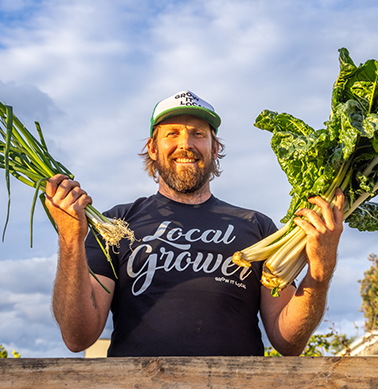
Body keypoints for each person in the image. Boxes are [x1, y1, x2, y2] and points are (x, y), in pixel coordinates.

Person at [45, 90, 344, 357]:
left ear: (215, 148)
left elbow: (288, 341)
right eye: (172, 134)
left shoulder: (257, 228)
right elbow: (78, 336)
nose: (185, 144)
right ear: (152, 148)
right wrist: (70, 238)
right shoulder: (116, 225)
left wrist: (321, 269)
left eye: (198, 134)